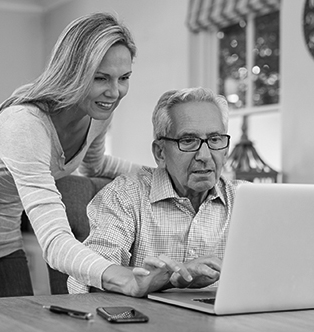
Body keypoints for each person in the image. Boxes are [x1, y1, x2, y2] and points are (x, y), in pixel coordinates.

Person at [0, 12, 190, 302]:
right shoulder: (25, 125)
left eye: (124, 77)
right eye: (100, 78)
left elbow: (97, 164)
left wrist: (167, 174)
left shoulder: (98, 113)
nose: (115, 92)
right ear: (72, 72)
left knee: (15, 324)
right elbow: (55, 242)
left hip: (1, 226)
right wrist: (121, 276)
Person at [68, 87, 249, 294]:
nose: (205, 156)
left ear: (226, 150)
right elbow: (86, 278)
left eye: (215, 139)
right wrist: (165, 279)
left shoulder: (247, 201)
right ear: (160, 152)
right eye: (188, 141)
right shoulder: (125, 195)